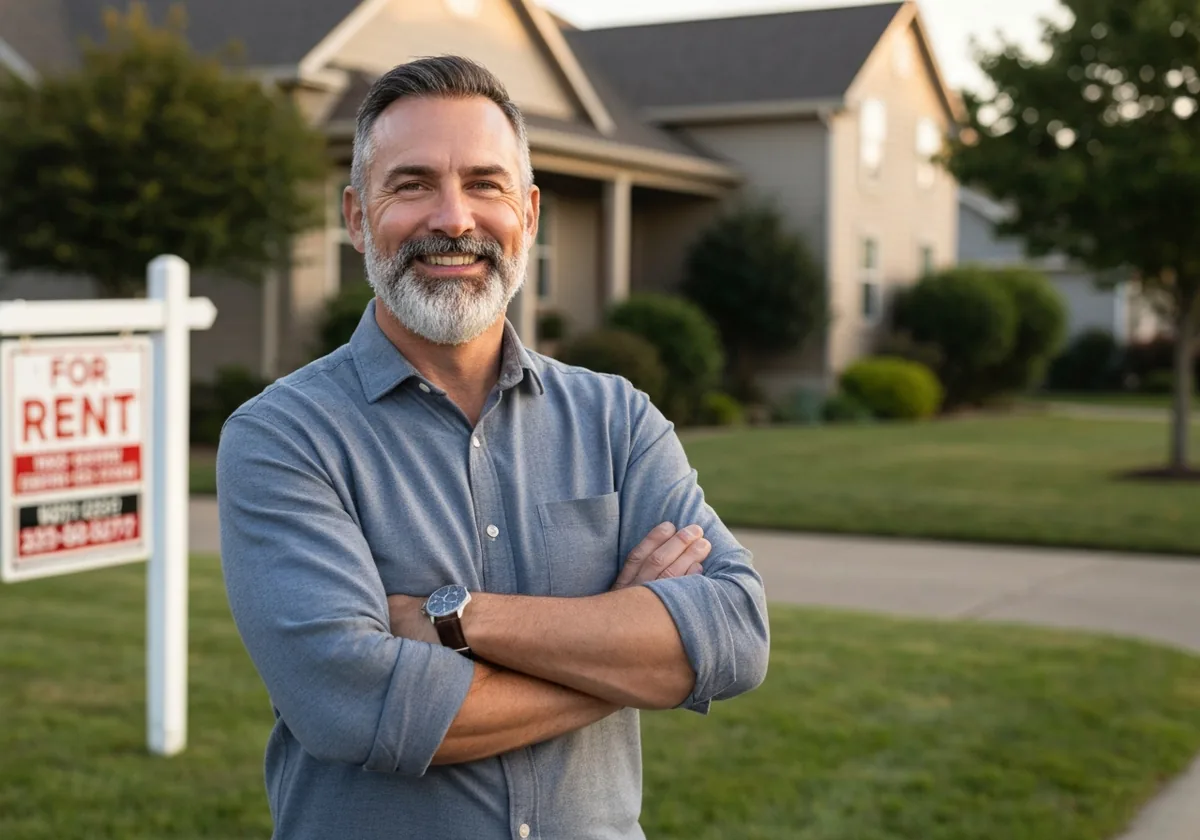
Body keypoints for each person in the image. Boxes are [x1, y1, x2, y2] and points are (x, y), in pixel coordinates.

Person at [217, 55, 769, 840]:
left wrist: (460, 620)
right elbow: (357, 707)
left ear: (531, 213)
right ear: (355, 216)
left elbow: (737, 634)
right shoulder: (283, 438)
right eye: (411, 185)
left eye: (485, 183)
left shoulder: (617, 419)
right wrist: (631, 656)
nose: (453, 218)